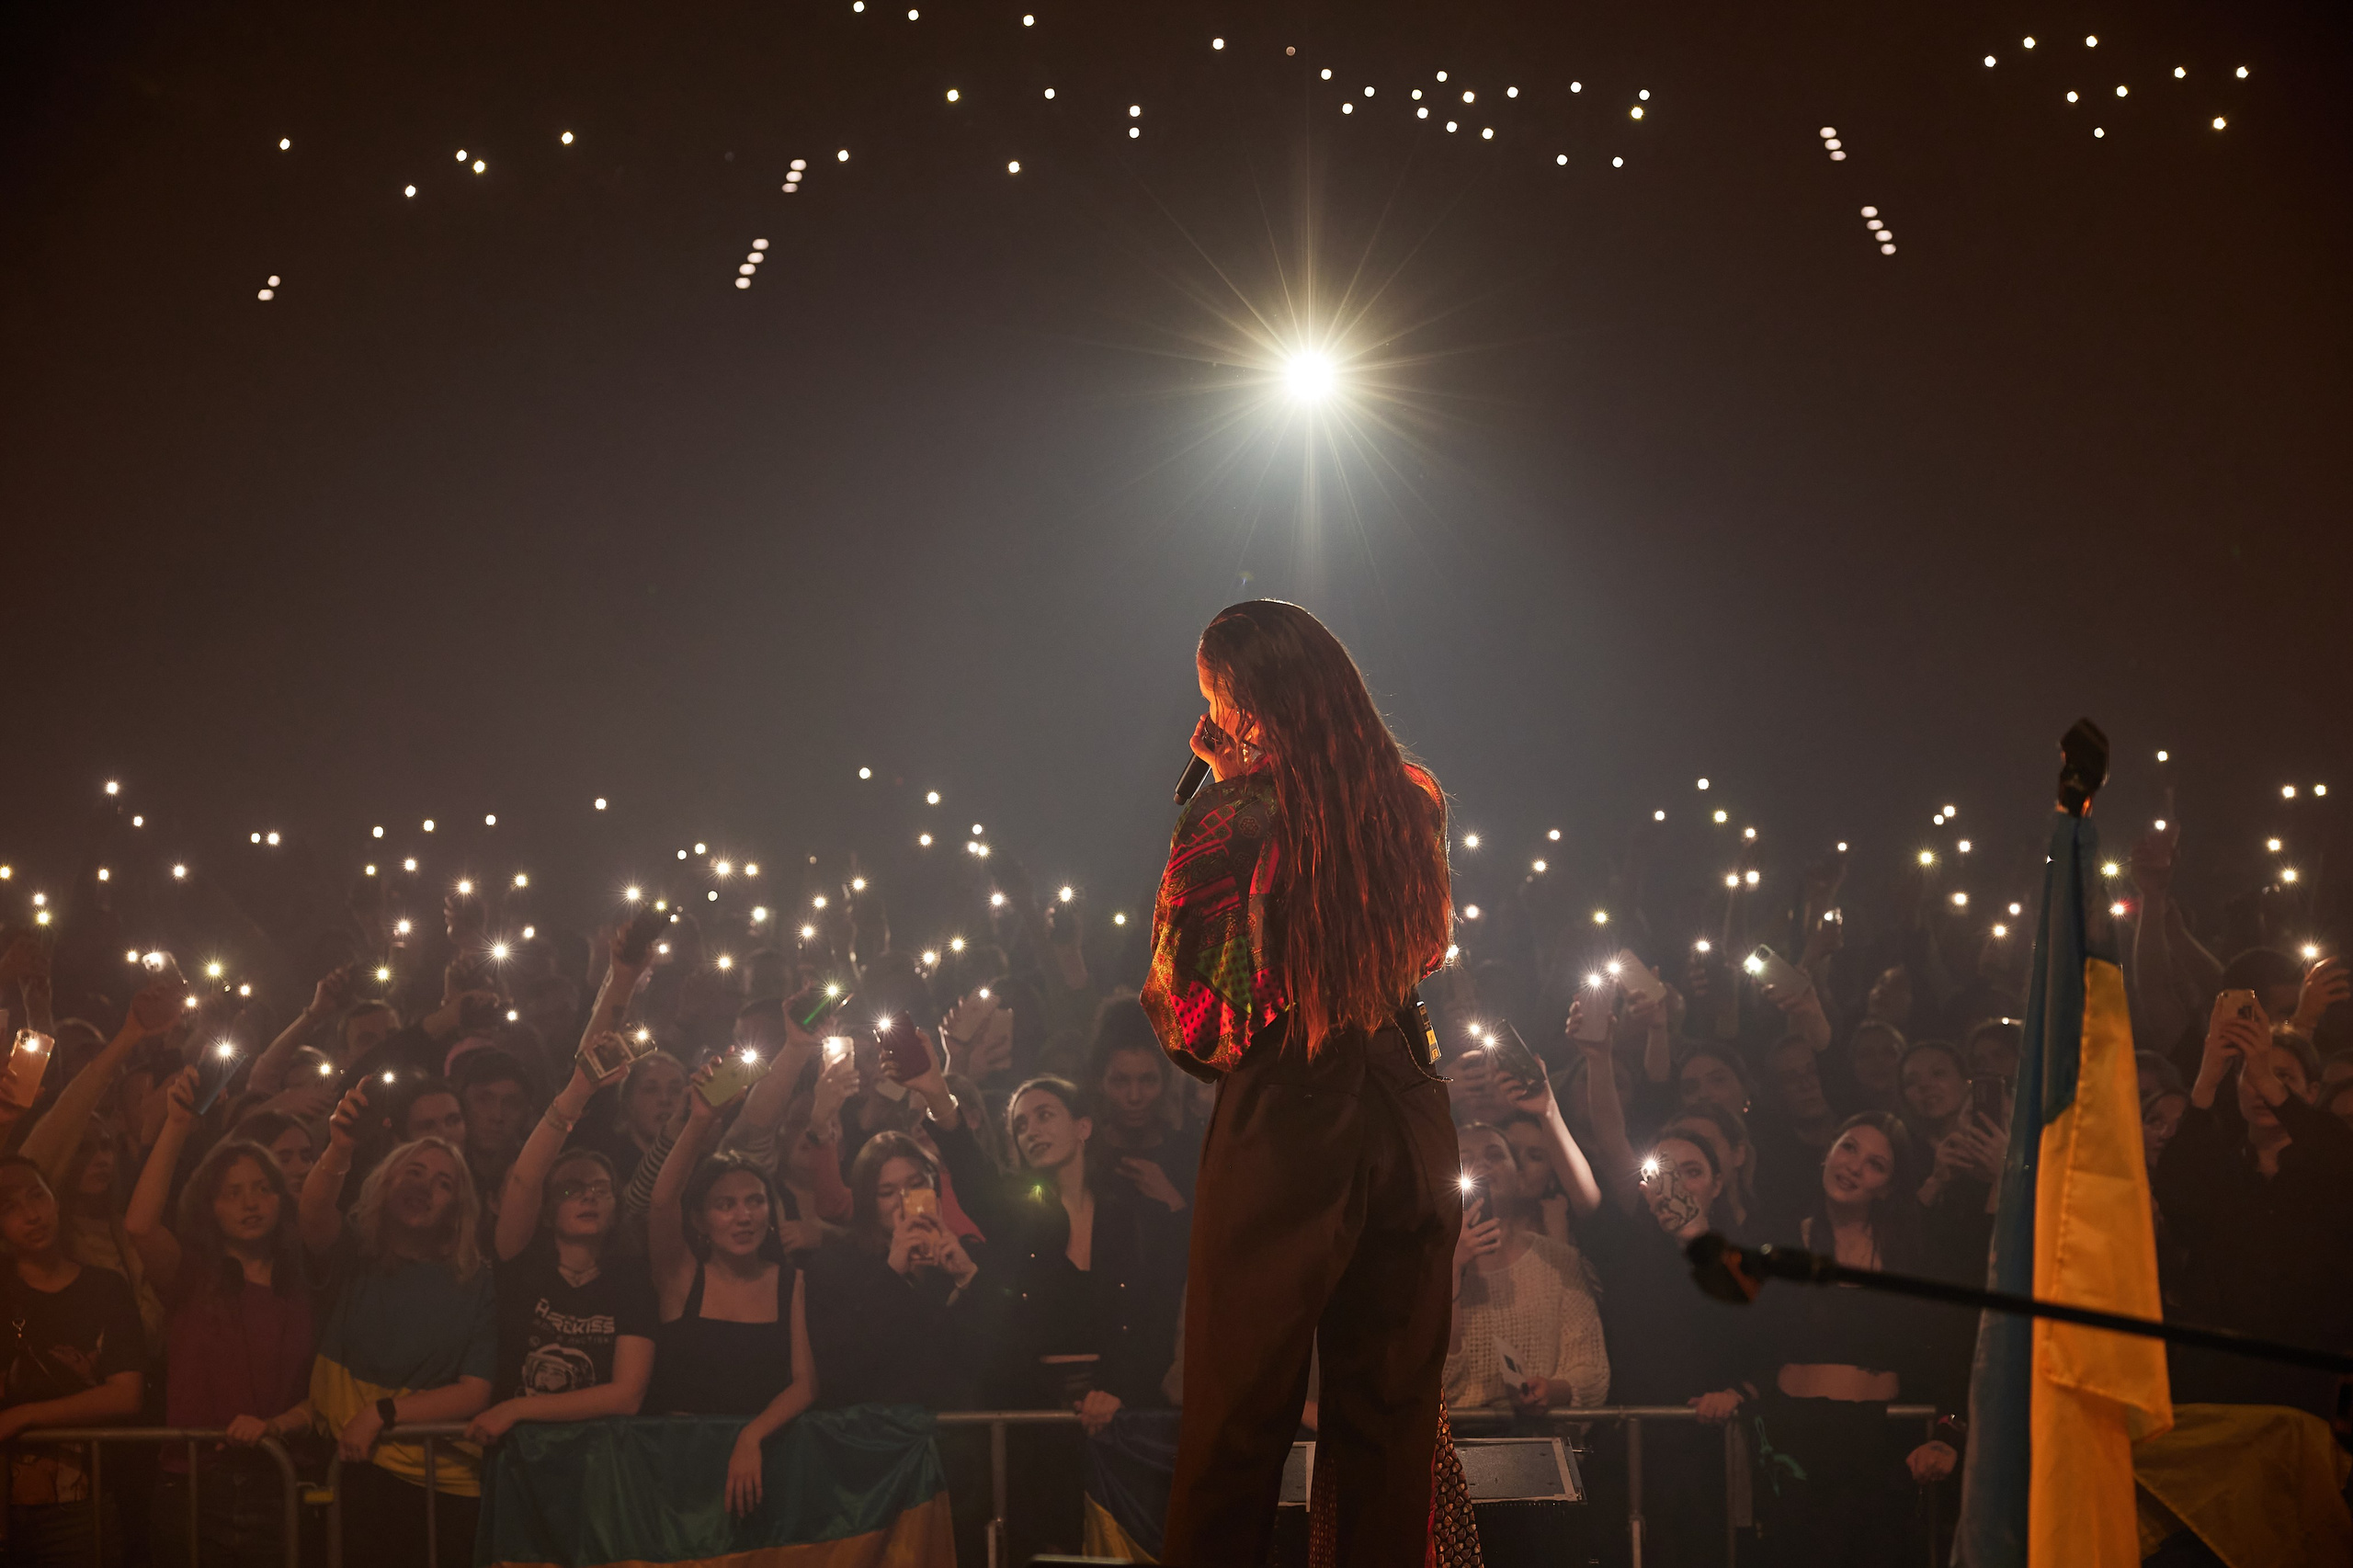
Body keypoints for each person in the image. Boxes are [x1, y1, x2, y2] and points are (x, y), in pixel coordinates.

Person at [1142, 600, 1470, 1568]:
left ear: (1238, 699)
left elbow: (1192, 1015)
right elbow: (1429, 944)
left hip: (1291, 1107)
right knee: (1388, 1420)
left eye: (1215, 697)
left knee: (1235, 1418)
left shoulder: (1230, 817)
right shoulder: (1413, 794)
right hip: (1408, 1102)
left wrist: (1218, 784)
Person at [1693, 1113, 1965, 1568]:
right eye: (1849, 1148)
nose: (1855, 1166)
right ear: (1827, 1153)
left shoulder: (1912, 1256)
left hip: (1879, 1447)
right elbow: (1751, 1344)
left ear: (1890, 1187)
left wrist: (1947, 1434)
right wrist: (1736, 1390)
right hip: (1792, 1440)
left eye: (1876, 1164)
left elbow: (1946, 1357)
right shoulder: (1777, 1243)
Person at [300, 1084, 498, 1568]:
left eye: (444, 1183)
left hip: (441, 1487)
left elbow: (475, 1391)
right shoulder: (354, 1256)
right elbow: (312, 1213)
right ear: (388, 1182)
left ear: (456, 1207)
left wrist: (383, 1414)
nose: (425, 1187)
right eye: (414, 1172)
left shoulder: (472, 1280)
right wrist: (341, 1147)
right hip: (353, 1474)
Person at [126, 1070, 314, 1568]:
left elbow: (325, 1390)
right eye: (232, 1193)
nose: (250, 1203)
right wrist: (176, 1126)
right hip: (193, 1485)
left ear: (281, 1197)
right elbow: (140, 1224)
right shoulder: (193, 1276)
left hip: (276, 1483)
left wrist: (276, 1424)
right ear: (210, 1206)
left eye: (261, 1189)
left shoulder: (302, 1284)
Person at [2154, 997, 2353, 1416]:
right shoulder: (2219, 1169)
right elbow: (2176, 1194)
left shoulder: (2330, 1169)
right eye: (2252, 1076)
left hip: (2304, 1392)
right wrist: (2208, 1079)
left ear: (2310, 1093)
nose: (2262, 1087)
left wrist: (2267, 1078)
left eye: (2283, 1077)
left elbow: (2338, 1154)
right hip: (2214, 1386)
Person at [644, 1060, 818, 1519]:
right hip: (681, 1477)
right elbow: (662, 1202)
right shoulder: (681, 1274)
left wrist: (752, 1435)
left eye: (755, 1202)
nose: (744, 1217)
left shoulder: (789, 1281)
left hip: (760, 1474)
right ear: (700, 1221)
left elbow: (805, 1384)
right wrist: (701, 1122)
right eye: (726, 1205)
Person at [463, 1051, 655, 1444]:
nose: (588, 1197)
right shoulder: (522, 1262)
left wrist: (517, 1408)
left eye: (600, 1189)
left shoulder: (631, 1282)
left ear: (617, 1207)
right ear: (548, 1212)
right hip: (519, 1456)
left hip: (599, 1459)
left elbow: (628, 1394)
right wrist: (578, 1092)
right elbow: (524, 1179)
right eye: (572, 1189)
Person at [0, 1156, 145, 1567]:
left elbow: (126, 1394)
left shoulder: (104, 1288)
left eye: (36, 1196)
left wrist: (25, 1415)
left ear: (55, 1200)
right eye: (8, 1207)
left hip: (80, 1507)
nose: (31, 1215)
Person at [803, 1131, 987, 1408]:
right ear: (868, 1202)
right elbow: (840, 1366)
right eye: (887, 1193)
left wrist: (968, 1278)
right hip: (878, 1431)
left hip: (959, 1426)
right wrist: (892, 1274)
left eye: (916, 1185)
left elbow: (992, 1354)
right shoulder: (835, 1265)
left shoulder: (964, 1255)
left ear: (933, 1188)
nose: (904, 1200)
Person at [1440, 1123, 1608, 1415]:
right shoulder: (1431, 1263)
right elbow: (1438, 1379)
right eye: (1465, 1160)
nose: (1482, 1164)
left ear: (1519, 1177)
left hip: (1541, 1439)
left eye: (1494, 1155)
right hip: (1459, 1441)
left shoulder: (1559, 1260)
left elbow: (1591, 1369)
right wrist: (1452, 1267)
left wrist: (1550, 1391)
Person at [1085, 996, 1197, 1210]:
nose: (1134, 1096)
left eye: (1148, 1080)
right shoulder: (1084, 1156)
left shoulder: (1190, 1155)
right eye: (1120, 1081)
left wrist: (1172, 1200)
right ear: (1100, 1082)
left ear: (1164, 1081)